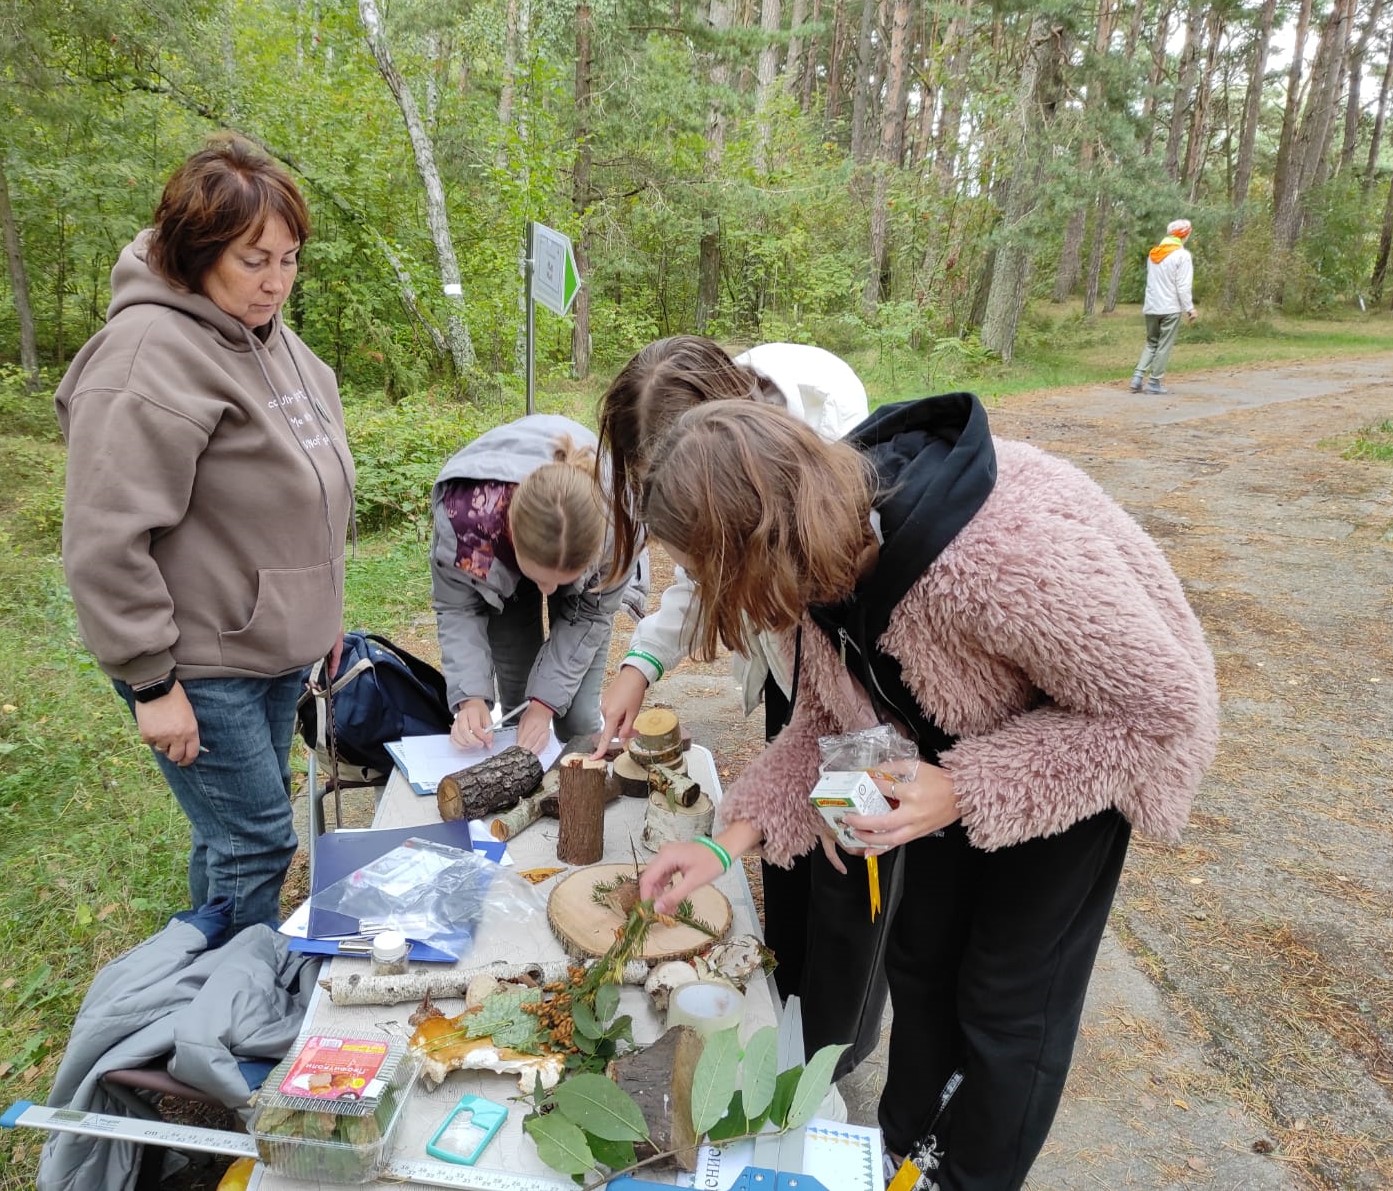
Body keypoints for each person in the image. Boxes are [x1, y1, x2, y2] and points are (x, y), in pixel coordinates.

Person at [637, 399, 1218, 1190]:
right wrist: (721, 843)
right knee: (919, 961)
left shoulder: (1000, 559)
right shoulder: (820, 560)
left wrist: (964, 787)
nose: (708, 590)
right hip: (948, 760)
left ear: (757, 540)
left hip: (1083, 758)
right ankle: (901, 1153)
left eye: (709, 570)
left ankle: (963, 1176)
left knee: (1004, 1003)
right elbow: (820, 724)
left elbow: (1159, 709)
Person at [55, 134, 356, 938]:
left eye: (289, 259)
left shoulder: (274, 338)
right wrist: (152, 685)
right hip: (199, 661)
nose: (276, 282)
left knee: (225, 832)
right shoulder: (148, 357)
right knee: (258, 840)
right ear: (196, 252)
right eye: (253, 260)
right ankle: (228, 1004)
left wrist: (320, 618)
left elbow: (308, 494)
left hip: (273, 651)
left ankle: (196, 978)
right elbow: (103, 537)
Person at [591, 335, 883, 1070]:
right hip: (798, 665)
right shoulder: (706, 472)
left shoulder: (810, 440)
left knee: (847, 865)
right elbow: (699, 574)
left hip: (863, 682)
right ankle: (784, 999)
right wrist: (641, 662)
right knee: (784, 842)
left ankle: (832, 1050)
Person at [430, 414, 643, 757]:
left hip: (588, 569)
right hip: (492, 558)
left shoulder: (617, 532)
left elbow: (591, 617)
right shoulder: (466, 527)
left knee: (574, 714)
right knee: (517, 697)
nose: (547, 591)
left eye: (560, 581)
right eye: (539, 578)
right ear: (510, 532)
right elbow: (459, 607)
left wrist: (544, 703)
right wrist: (470, 698)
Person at [1130, 217, 1198, 395]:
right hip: (1170, 307)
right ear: (1185, 235)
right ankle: (1154, 382)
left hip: (1151, 306)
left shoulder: (1153, 254)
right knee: (1163, 345)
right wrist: (1190, 309)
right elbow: (1182, 286)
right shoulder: (1182, 256)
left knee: (1151, 342)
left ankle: (1137, 378)